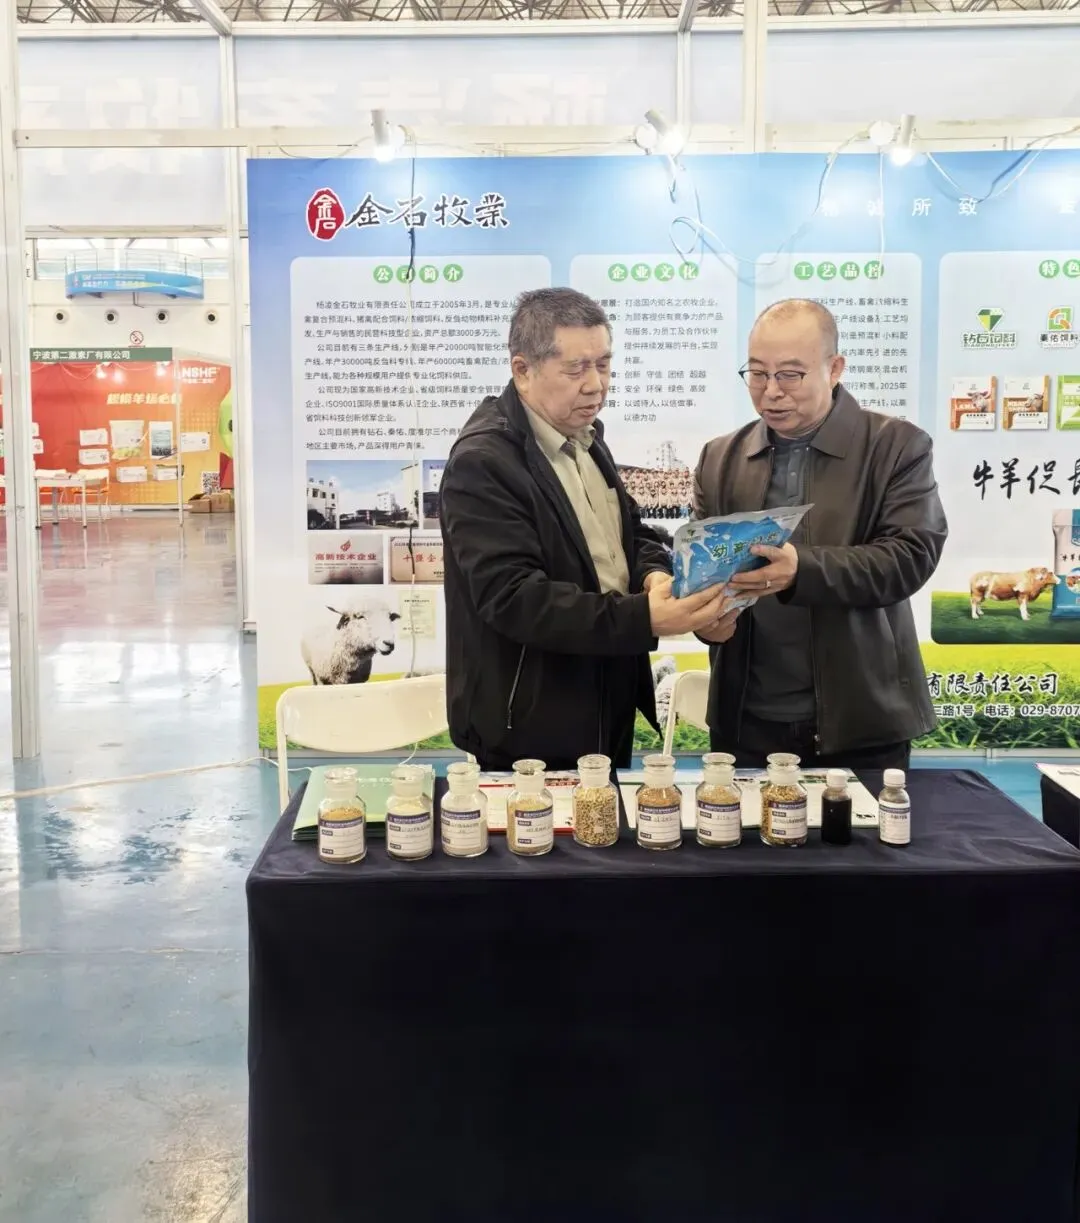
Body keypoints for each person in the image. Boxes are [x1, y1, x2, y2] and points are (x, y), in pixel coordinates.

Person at [440, 287, 733, 771]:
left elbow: (630, 532)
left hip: (605, 696)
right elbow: (514, 598)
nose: (596, 385)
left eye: (604, 364)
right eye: (576, 369)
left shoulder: (586, 436)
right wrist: (645, 618)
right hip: (528, 722)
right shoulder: (484, 462)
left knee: (608, 819)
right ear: (523, 370)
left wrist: (654, 577)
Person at [693, 298, 948, 770]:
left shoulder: (895, 447)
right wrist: (706, 619)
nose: (771, 392)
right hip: (747, 719)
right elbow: (705, 569)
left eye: (790, 375)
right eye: (757, 373)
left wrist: (801, 570)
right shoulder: (720, 458)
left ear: (834, 369)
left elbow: (911, 556)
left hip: (862, 716)